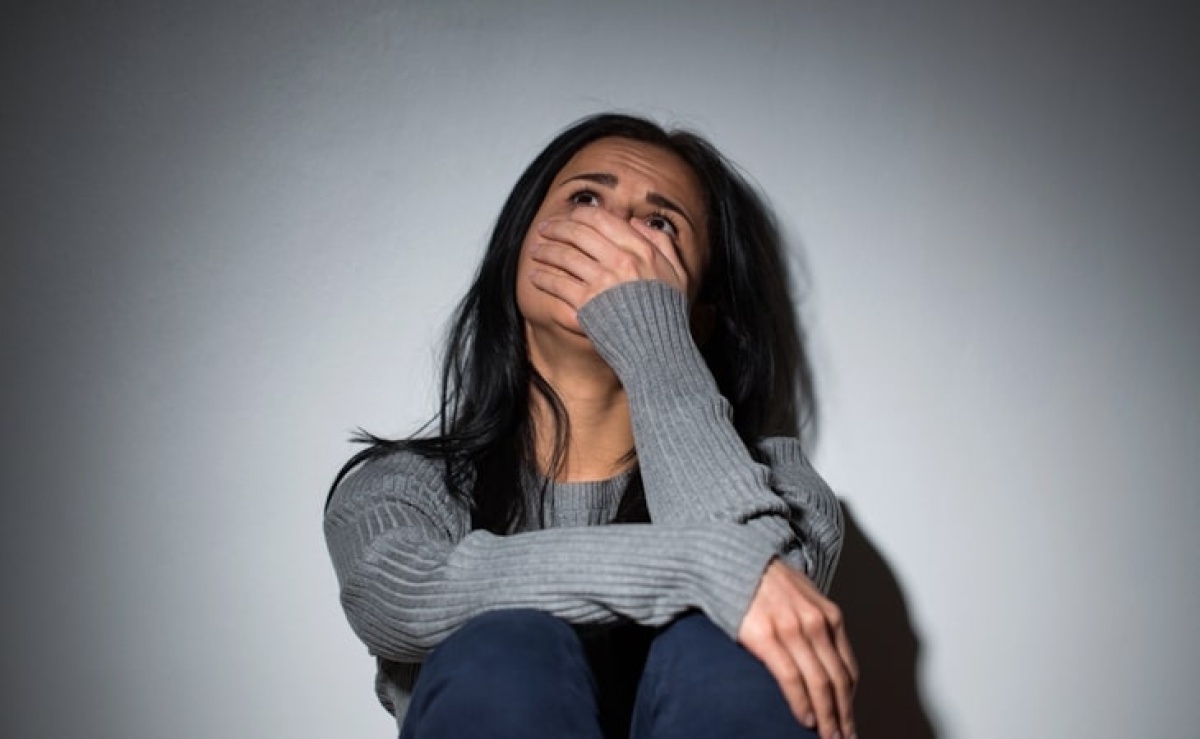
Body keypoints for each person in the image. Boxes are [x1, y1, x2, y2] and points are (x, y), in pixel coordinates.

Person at [324, 113, 858, 739]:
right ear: (519, 250)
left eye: (658, 224)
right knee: (504, 647)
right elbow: (402, 598)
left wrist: (651, 333)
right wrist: (701, 564)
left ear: (700, 315)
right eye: (585, 200)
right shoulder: (404, 485)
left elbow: (776, 600)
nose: (611, 233)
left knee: (732, 652)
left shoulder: (780, 482)